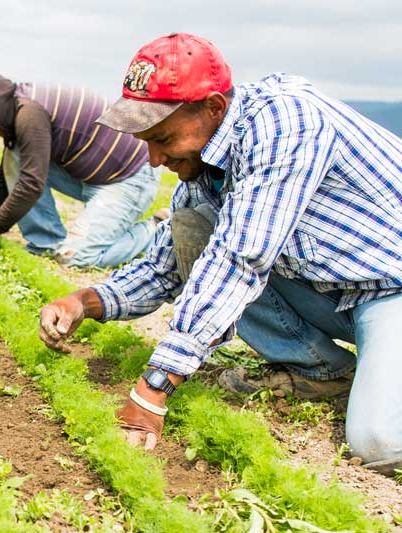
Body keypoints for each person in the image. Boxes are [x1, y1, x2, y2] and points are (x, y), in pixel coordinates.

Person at [38, 33, 402, 476]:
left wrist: (155, 386)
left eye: (162, 138)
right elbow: (166, 267)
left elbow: (240, 260)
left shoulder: (286, 124)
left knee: (378, 441)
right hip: (336, 291)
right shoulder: (203, 173)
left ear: (213, 108)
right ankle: (324, 371)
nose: (153, 159)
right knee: (196, 234)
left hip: (388, 290)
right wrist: (83, 301)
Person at [0, 71, 168, 269]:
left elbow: (31, 185)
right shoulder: (22, 106)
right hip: (91, 173)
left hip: (129, 178)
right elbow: (4, 180)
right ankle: (46, 243)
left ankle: (156, 229)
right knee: (15, 156)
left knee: (76, 257)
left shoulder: (29, 113)